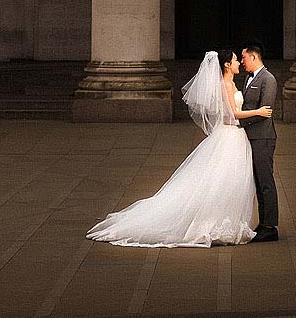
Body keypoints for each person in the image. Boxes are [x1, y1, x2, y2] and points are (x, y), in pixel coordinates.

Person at [87, 49, 271, 247]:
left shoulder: (233, 83)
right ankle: (215, 223)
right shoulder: (225, 84)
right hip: (229, 134)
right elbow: (232, 114)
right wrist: (258, 111)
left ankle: (228, 221)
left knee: (229, 181)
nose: (239, 63)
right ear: (227, 65)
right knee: (221, 180)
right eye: (236, 60)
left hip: (235, 136)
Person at [239, 43, 281, 242]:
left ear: (254, 57)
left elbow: (266, 110)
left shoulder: (268, 79)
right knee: (258, 181)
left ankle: (271, 226)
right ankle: (263, 223)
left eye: (244, 58)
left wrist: (239, 120)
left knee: (266, 181)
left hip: (263, 137)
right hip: (251, 136)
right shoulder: (249, 77)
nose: (241, 61)